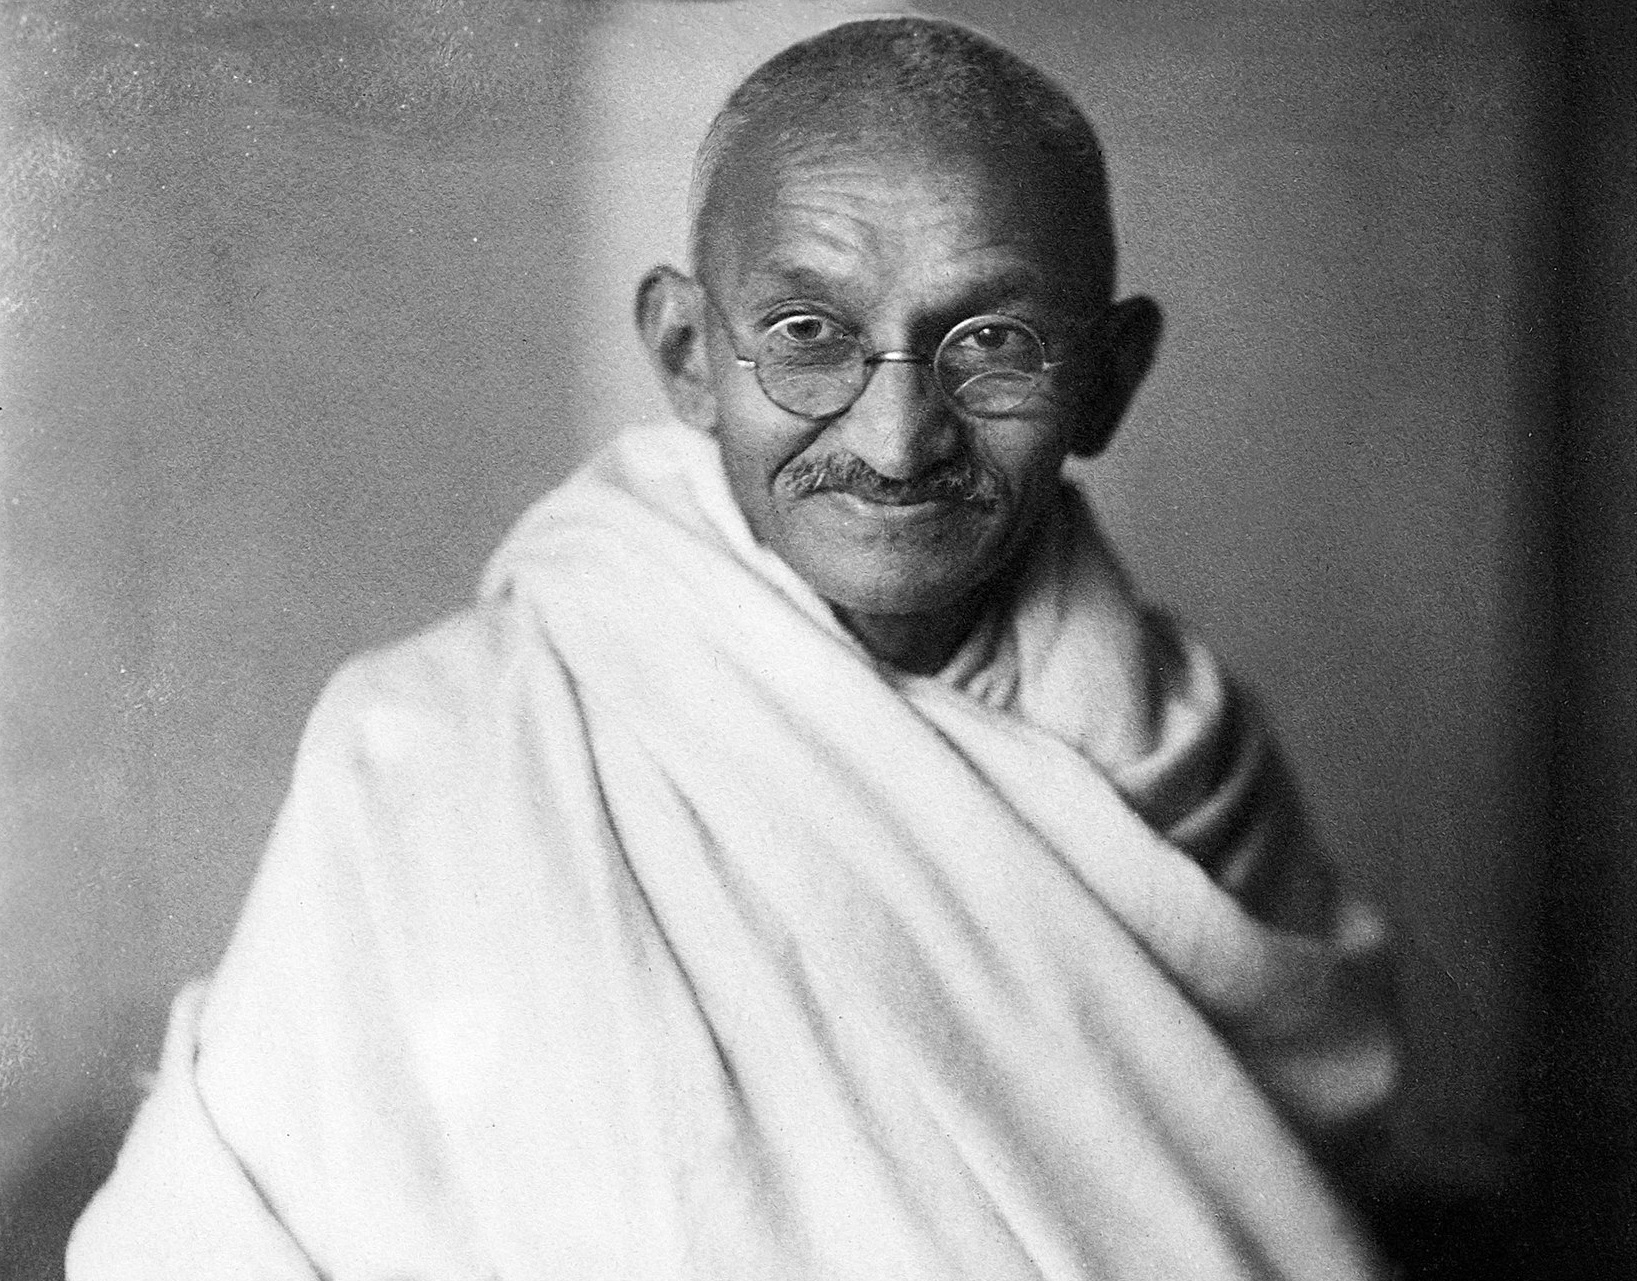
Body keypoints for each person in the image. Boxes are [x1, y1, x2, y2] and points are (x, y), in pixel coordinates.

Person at [68, 16, 1399, 1280]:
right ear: (686, 351)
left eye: (990, 343)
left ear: (1106, 377)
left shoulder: (1192, 767)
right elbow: (208, 1241)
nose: (893, 441)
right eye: (807, 337)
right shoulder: (439, 743)